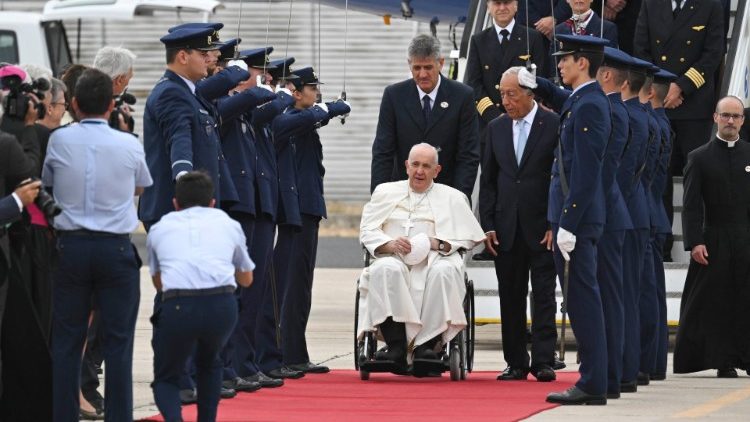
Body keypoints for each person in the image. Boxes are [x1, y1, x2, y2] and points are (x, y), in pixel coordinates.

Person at [43, 68, 152, 421]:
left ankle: (64, 414)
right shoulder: (129, 143)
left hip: (71, 248)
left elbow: (48, 182)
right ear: (111, 105)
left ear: (73, 103)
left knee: (67, 342)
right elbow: (140, 186)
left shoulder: (59, 140)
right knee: (119, 342)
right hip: (114, 249)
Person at [358, 143, 486, 372]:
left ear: (437, 170)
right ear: (406, 166)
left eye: (426, 166)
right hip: (394, 256)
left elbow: (468, 238)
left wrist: (438, 243)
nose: (420, 171)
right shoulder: (385, 192)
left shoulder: (453, 197)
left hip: (437, 258)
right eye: (415, 164)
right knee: (385, 269)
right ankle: (396, 345)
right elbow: (367, 230)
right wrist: (389, 244)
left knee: (443, 272)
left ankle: (427, 345)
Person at [534, 34, 612, 405]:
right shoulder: (583, 100)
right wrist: (540, 84)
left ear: (583, 62)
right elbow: (566, 101)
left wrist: (568, 222)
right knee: (582, 300)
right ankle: (597, 379)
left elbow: (585, 171)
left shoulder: (591, 106)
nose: (560, 64)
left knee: (583, 302)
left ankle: (593, 382)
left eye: (565, 59)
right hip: (573, 218)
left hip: (576, 221)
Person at [147, 171, 255, 422]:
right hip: (221, 305)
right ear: (212, 203)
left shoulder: (161, 227)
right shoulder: (229, 224)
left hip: (178, 304)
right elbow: (247, 279)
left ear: (175, 204)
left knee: (166, 377)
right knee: (210, 362)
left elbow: (158, 281)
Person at [478, 67, 558, 382]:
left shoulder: (552, 124)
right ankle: (515, 361)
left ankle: (543, 360)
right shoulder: (496, 128)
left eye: (512, 94)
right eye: (502, 94)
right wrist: (488, 224)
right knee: (509, 296)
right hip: (506, 227)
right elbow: (489, 181)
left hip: (541, 226)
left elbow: (559, 179)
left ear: (529, 93)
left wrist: (556, 220)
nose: (506, 101)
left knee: (543, 295)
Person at [270, 67, 350, 376]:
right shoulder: (285, 116)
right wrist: (326, 110)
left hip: (307, 208)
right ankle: (283, 353)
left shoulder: (303, 119)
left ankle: (295, 353)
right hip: (295, 210)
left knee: (301, 285)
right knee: (289, 283)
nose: (316, 93)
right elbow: (295, 122)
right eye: (311, 88)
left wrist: (323, 112)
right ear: (295, 90)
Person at [634, 0, 724, 261]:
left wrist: (681, 87)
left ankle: (698, 241)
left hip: (693, 104)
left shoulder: (710, 5)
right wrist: (662, 89)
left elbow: (713, 53)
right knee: (657, 178)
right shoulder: (651, 4)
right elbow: (641, 50)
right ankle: (659, 247)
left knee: (696, 178)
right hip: (657, 102)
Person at [674, 96, 750, 378]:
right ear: (715, 118)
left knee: (746, 299)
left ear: (742, 120)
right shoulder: (699, 157)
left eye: (736, 116)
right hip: (714, 240)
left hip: (746, 238)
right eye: (726, 115)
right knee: (716, 302)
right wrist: (695, 242)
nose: (730, 121)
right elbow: (692, 205)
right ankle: (723, 360)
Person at [139, 25, 237, 229]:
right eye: (203, 54)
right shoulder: (171, 93)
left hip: (193, 209)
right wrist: (184, 177)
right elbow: (179, 137)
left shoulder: (189, 92)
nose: (211, 59)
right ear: (183, 57)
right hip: (178, 210)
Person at [371, 34, 479, 200]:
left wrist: (459, 198)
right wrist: (379, 197)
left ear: (441, 63)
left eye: (428, 67)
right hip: (402, 193)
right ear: (409, 65)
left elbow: (468, 155)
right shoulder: (394, 96)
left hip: (446, 193)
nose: (422, 75)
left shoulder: (462, 96)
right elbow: (383, 151)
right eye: (416, 68)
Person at [466, 0, 548, 129]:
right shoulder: (478, 40)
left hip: (525, 120)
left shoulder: (532, 37)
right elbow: (474, 84)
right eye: (497, 3)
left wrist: (524, 111)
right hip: (490, 122)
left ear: (516, 6)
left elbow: (540, 79)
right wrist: (495, 116)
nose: (502, 8)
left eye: (507, 2)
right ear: (488, 7)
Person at [646, 68, 676, 381]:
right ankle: (653, 361)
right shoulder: (660, 122)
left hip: (645, 215)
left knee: (646, 293)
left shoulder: (651, 123)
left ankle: (649, 361)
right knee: (652, 292)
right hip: (653, 214)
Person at [92, 46, 137, 132]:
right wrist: (126, 133)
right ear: (119, 80)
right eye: (128, 80)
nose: (127, 85)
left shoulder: (80, 102)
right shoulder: (108, 113)